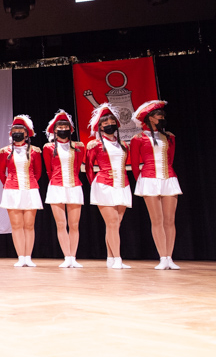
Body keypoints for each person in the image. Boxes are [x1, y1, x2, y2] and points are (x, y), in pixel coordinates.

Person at [130, 100, 182, 270]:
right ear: (150, 118)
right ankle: (162, 257)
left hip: (168, 178)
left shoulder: (170, 137)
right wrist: (142, 182)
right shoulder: (138, 138)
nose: (162, 118)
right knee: (157, 220)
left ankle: (170, 258)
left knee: (170, 220)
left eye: (162, 116)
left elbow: (171, 159)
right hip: (149, 179)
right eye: (159, 115)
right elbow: (135, 164)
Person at [86, 104, 132, 269]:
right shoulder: (95, 145)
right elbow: (88, 167)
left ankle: (111, 258)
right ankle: (118, 258)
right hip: (104, 185)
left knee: (115, 225)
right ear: (100, 127)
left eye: (112, 122)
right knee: (112, 222)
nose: (109, 125)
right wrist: (96, 185)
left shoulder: (124, 145)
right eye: (105, 123)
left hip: (123, 185)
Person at [0, 115, 43, 267]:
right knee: (16, 225)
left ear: (26, 133)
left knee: (29, 225)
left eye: (20, 131)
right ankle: (21, 257)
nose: (17, 133)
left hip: (30, 189)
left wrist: (29, 182)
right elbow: (0, 172)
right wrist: (10, 184)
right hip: (12, 190)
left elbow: (38, 172)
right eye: (15, 130)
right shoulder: (5, 151)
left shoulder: (35, 151)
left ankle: (28, 257)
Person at [43, 110, 85, 268]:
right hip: (56, 187)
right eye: (60, 127)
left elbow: (78, 166)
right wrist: (57, 181)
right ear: (54, 130)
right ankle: (67, 257)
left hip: (74, 186)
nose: (63, 129)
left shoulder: (78, 147)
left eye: (65, 127)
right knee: (61, 224)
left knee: (74, 225)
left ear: (70, 129)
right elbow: (48, 170)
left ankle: (73, 257)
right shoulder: (48, 147)